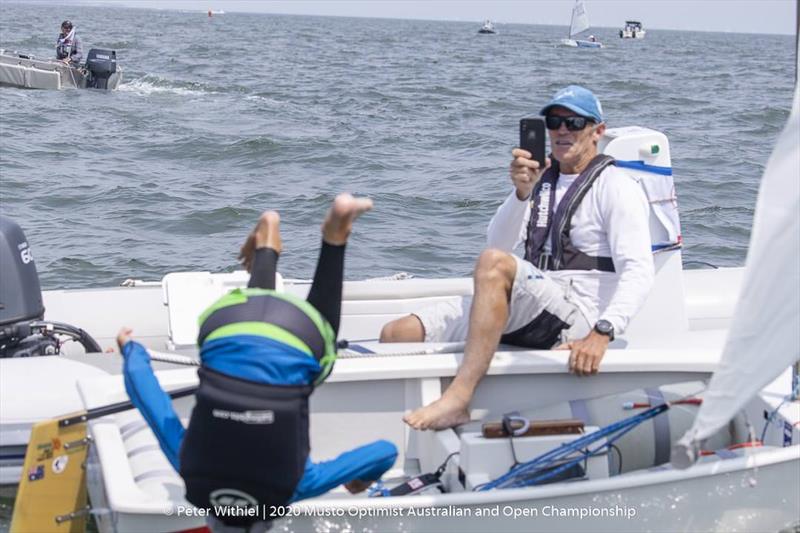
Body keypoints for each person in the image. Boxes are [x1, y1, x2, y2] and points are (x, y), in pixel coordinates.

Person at [117, 194, 398, 531]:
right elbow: (145, 393)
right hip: (225, 323)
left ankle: (334, 238)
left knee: (314, 355)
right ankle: (267, 244)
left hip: (292, 333)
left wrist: (361, 480)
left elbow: (386, 450)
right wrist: (130, 349)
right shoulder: (189, 471)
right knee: (251, 337)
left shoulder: (295, 488)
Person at [381, 86, 655, 430]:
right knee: (398, 333)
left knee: (494, 265)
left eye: (574, 121)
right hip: (532, 301)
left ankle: (459, 399)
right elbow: (496, 242)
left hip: (577, 313)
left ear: (597, 131)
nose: (562, 130)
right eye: (554, 121)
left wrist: (603, 332)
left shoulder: (616, 187)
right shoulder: (541, 181)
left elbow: (640, 270)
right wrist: (522, 193)